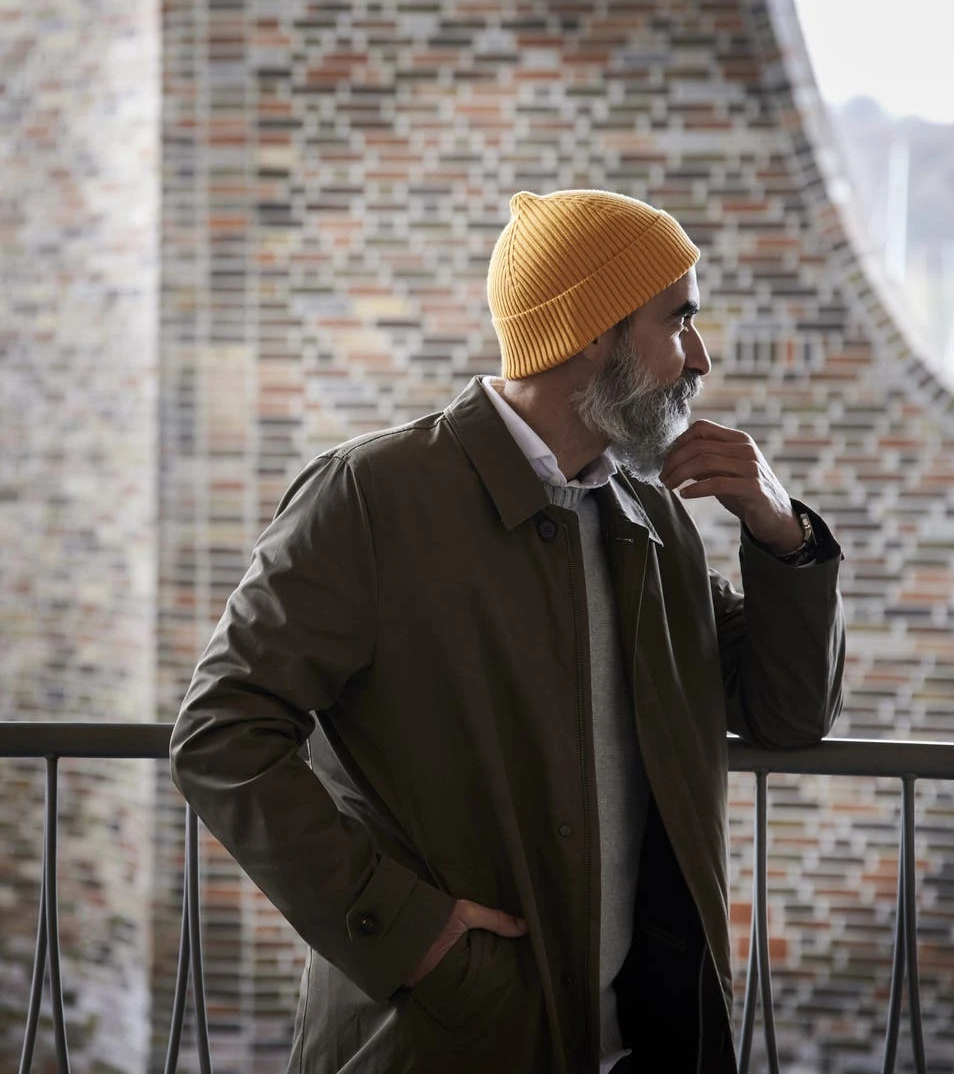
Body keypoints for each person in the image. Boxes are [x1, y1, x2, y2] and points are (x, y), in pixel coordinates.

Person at [170, 188, 845, 1074]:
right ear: (593, 331)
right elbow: (222, 733)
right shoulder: (371, 497)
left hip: (634, 1048)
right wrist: (408, 934)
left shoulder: (651, 520)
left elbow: (786, 712)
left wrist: (781, 531)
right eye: (678, 320)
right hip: (437, 1038)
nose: (700, 357)